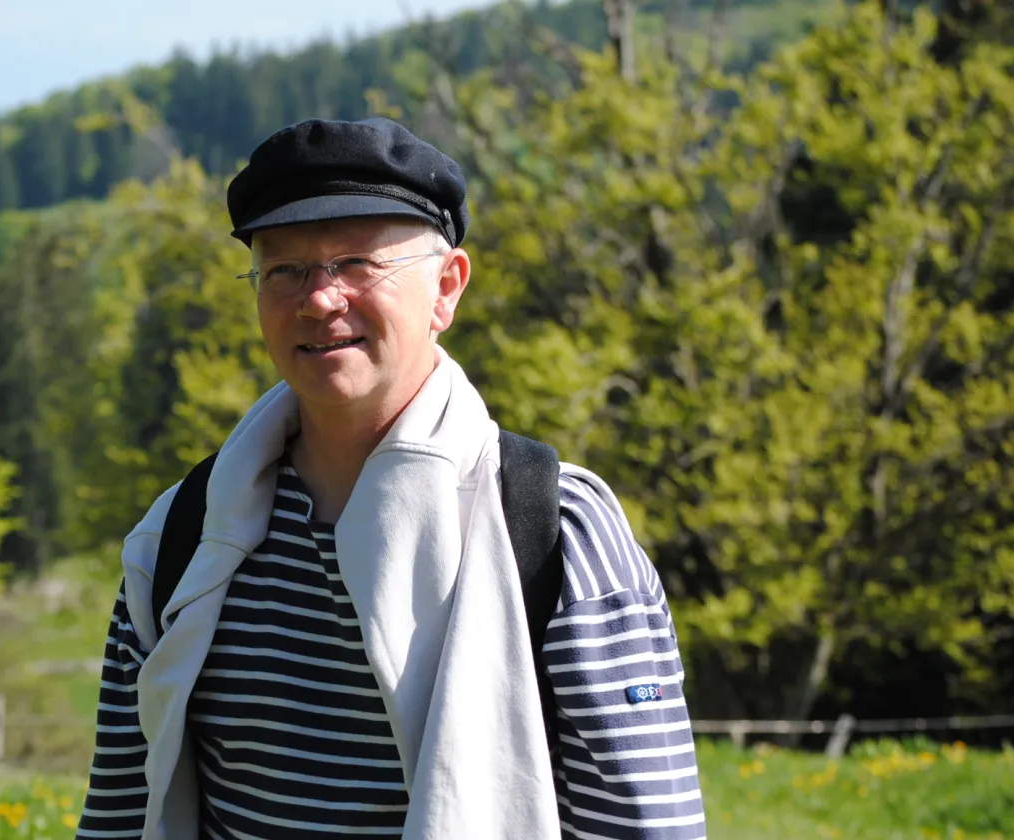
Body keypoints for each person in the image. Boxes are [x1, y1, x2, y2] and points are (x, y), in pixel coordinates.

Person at [76, 117, 706, 840]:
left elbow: (647, 828)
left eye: (357, 265)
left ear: (447, 288)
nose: (320, 299)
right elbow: (119, 818)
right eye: (284, 270)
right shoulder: (180, 541)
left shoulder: (555, 531)